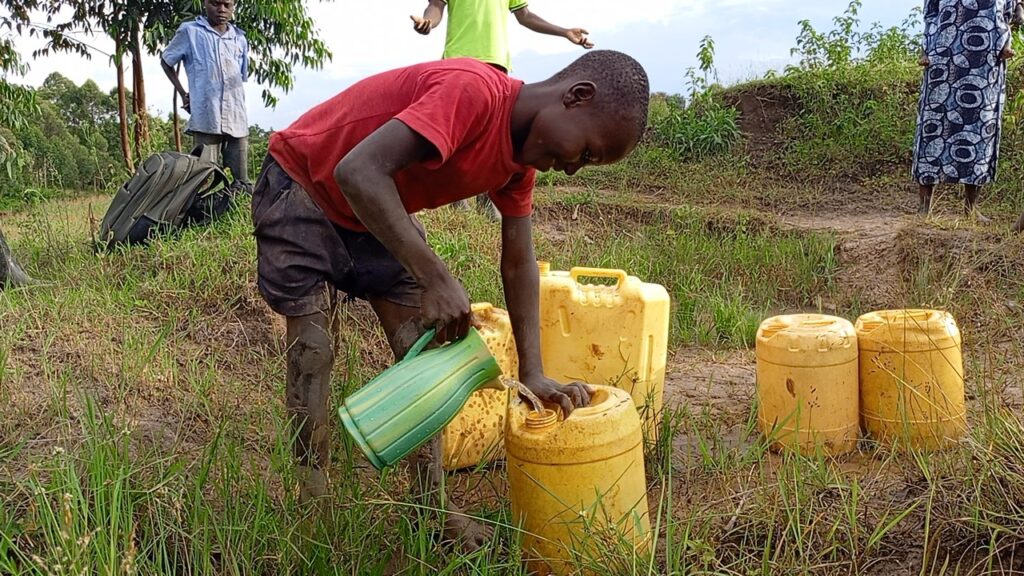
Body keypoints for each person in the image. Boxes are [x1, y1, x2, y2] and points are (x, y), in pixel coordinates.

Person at [252, 50, 649, 551]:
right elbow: (358, 171)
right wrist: (435, 276)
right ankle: (310, 505)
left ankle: (430, 509)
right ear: (576, 96)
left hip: (372, 211)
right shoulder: (474, 92)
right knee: (313, 352)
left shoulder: (517, 167)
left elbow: (519, 263)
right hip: (303, 185)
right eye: (587, 151)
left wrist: (533, 371)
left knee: (427, 350)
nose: (572, 168)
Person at [411, 0, 594, 219]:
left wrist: (564, 32)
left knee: (492, 135)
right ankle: (456, 199)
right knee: (457, 133)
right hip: (458, 63)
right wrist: (428, 22)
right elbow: (436, 7)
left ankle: (485, 199)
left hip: (497, 65)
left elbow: (525, 16)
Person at [913, 0, 1023, 222]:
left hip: (986, 59)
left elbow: (1011, 11)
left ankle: (970, 209)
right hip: (943, 57)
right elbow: (930, 13)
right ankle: (924, 208)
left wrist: (1018, 12)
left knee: (980, 128)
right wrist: (926, 48)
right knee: (933, 127)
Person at [161, 0, 251, 192]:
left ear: (233, 6)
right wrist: (184, 94)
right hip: (206, 116)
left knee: (241, 180)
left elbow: (240, 79)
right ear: (204, 3)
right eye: (215, 4)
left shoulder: (239, 38)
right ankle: (200, 215)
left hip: (236, 116)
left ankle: (236, 213)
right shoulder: (190, 32)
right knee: (201, 176)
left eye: (227, 5)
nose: (221, 10)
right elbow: (166, 61)